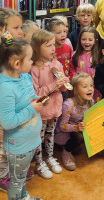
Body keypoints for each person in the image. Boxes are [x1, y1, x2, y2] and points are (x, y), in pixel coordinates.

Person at [0, 32, 43, 200]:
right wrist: (33, 108)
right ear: (16, 63)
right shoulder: (4, 89)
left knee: (21, 178)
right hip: (18, 146)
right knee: (16, 180)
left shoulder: (25, 77)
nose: (32, 62)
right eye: (29, 59)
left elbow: (29, 99)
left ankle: (24, 197)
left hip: (30, 141)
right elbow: (8, 122)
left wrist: (38, 101)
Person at [0, 8, 27, 192]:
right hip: (2, 111)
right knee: (3, 144)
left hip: (13, 108)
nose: (20, 31)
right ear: (1, 30)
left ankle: (9, 170)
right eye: (15, 27)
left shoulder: (9, 51)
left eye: (20, 27)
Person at [30, 29, 69, 179]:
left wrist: (64, 83)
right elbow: (36, 93)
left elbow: (64, 88)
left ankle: (50, 157)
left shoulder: (57, 64)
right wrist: (54, 86)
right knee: (38, 137)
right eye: (48, 45)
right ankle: (39, 162)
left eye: (53, 45)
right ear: (37, 47)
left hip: (54, 108)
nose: (53, 48)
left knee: (50, 134)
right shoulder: (34, 68)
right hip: (41, 111)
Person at [55, 72, 94, 171]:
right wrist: (76, 128)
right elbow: (61, 126)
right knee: (79, 136)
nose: (90, 89)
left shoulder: (91, 102)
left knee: (81, 137)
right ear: (76, 90)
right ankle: (66, 152)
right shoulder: (68, 104)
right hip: (64, 131)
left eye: (91, 85)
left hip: (78, 128)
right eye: (85, 86)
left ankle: (74, 145)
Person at [68, 26, 100, 101]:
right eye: (83, 39)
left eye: (90, 40)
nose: (87, 42)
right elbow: (72, 70)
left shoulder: (98, 57)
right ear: (79, 40)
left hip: (93, 90)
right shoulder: (75, 55)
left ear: (95, 41)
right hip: (79, 89)